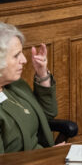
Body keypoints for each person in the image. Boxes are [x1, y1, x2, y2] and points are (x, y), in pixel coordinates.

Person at [0, 22, 57, 153]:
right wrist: (48, 156)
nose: (24, 60)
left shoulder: (16, 85)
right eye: (16, 55)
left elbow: (48, 114)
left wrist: (42, 74)